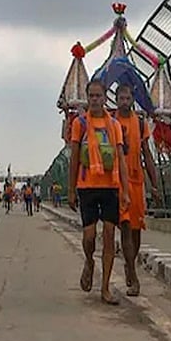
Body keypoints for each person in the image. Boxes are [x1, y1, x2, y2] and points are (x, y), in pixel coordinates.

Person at [68, 79, 131, 305]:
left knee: (108, 236)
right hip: (87, 187)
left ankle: (104, 288)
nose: (94, 100)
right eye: (91, 96)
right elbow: (74, 157)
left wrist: (124, 191)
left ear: (105, 98)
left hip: (110, 187)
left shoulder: (113, 125)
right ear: (87, 98)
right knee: (89, 236)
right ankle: (89, 260)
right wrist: (71, 189)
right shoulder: (80, 123)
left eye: (98, 96)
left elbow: (121, 159)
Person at [113, 84, 160, 297]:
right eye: (120, 98)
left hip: (136, 181)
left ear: (132, 99)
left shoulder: (140, 123)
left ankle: (130, 263)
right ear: (115, 100)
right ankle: (133, 274)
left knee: (136, 229)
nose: (124, 101)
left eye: (127, 98)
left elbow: (147, 154)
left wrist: (155, 184)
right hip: (118, 183)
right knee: (125, 228)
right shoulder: (111, 122)